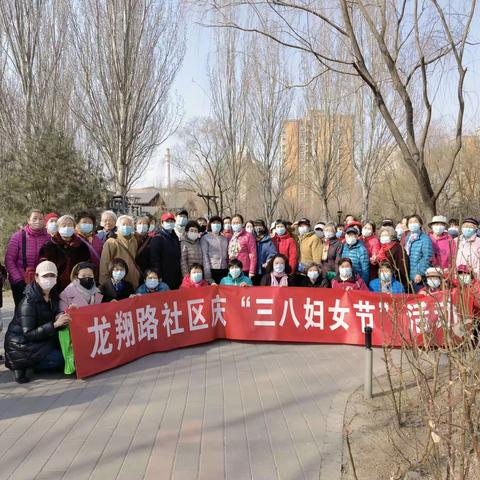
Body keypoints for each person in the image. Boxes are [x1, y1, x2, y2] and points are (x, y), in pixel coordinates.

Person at [4, 261, 71, 383]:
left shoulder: (53, 295)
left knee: (70, 354)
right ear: (36, 277)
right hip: (21, 346)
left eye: (52, 276)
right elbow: (28, 334)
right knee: (63, 359)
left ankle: (31, 364)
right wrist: (55, 325)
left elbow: (55, 313)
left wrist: (65, 314)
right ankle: (25, 365)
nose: (49, 279)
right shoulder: (28, 302)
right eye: (45, 276)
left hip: (41, 341)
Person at [5, 209, 50, 306]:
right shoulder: (17, 237)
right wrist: (18, 280)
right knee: (22, 312)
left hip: (42, 282)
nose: (37, 221)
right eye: (34, 218)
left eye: (40, 219)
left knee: (41, 313)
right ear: (28, 220)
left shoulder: (48, 238)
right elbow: (9, 260)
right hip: (21, 283)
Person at [39, 214, 91, 292]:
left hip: (78, 287)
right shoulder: (49, 246)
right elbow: (44, 267)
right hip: (55, 287)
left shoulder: (81, 246)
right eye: (63, 225)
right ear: (58, 228)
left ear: (74, 227)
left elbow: (87, 265)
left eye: (70, 225)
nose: (67, 227)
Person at [99, 214, 141, 290]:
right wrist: (105, 284)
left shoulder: (134, 241)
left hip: (132, 282)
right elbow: (104, 264)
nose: (126, 227)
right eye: (123, 224)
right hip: (117, 283)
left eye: (129, 225)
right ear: (117, 226)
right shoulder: (111, 242)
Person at [150, 212, 182, 290]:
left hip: (176, 275)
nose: (170, 223)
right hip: (164, 277)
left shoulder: (175, 237)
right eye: (167, 221)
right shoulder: (157, 238)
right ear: (162, 223)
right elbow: (154, 259)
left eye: (172, 221)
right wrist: (158, 275)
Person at [404, 214, 433, 292]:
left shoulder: (425, 239)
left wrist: (420, 273)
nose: (413, 224)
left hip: (418, 276)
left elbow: (427, 257)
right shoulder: (408, 238)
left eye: (415, 222)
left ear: (420, 224)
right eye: (410, 222)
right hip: (408, 274)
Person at [201, 216, 229, 285]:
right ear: (210, 224)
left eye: (218, 223)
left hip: (224, 269)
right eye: (214, 223)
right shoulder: (205, 238)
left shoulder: (224, 238)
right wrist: (207, 275)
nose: (216, 224)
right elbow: (205, 256)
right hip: (212, 269)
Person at [228, 214, 257, 279]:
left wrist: (252, 271)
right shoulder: (232, 237)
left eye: (238, 222)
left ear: (242, 223)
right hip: (233, 268)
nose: (236, 224)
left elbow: (253, 254)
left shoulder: (248, 236)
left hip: (244, 268)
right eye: (234, 223)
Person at [253, 219, 277, 285]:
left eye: (260, 225)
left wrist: (268, 261)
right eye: (256, 226)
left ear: (264, 227)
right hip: (253, 270)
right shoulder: (252, 239)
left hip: (264, 270)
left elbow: (273, 254)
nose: (258, 228)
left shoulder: (269, 240)